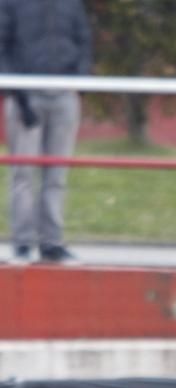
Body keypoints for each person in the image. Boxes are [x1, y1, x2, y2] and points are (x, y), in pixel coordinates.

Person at [0, 0, 91, 264]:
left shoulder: (71, 3)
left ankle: (52, 243)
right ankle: (22, 245)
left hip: (64, 95)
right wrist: (18, 95)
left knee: (57, 174)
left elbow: (83, 40)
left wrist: (79, 83)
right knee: (23, 174)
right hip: (25, 95)